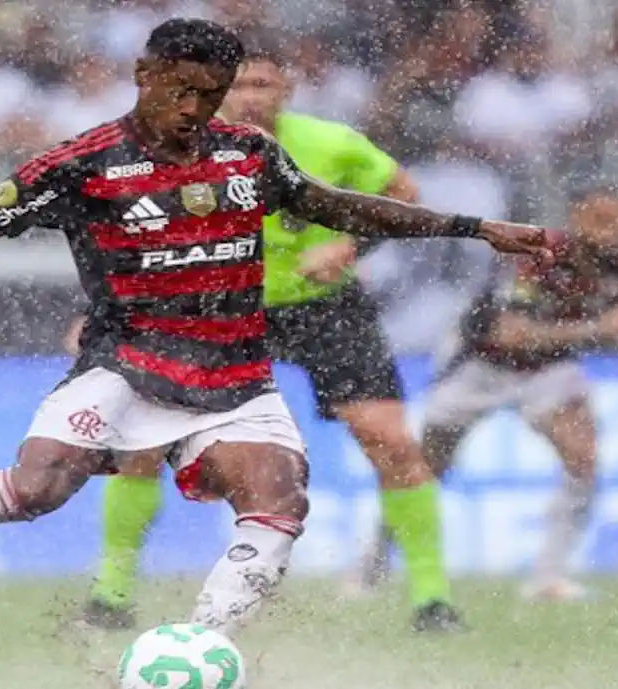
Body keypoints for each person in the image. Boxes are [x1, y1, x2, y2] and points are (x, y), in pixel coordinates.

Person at [0, 19, 548, 639]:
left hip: (234, 375)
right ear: (143, 73)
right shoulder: (76, 166)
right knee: (31, 493)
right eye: (181, 89)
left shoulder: (247, 155)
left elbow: (336, 204)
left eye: (209, 96)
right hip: (130, 368)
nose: (195, 109)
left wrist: (474, 227)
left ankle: (197, 647)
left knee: (281, 500)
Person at [79, 41, 464, 633]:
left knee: (390, 439)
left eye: (263, 85)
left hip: (322, 307)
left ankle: (432, 601)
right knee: (140, 447)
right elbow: (126, 232)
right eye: (239, 86)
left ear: (286, 91)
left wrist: (350, 244)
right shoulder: (174, 150)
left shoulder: (329, 145)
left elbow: (403, 195)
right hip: (213, 306)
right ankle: (110, 594)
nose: (251, 97)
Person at [349, 184, 618, 601]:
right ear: (577, 217)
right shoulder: (535, 255)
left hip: (548, 368)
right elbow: (509, 334)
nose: (616, 233)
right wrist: (598, 330)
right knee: (426, 470)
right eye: (605, 220)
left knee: (583, 458)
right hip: (478, 365)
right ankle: (370, 566)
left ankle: (547, 577)